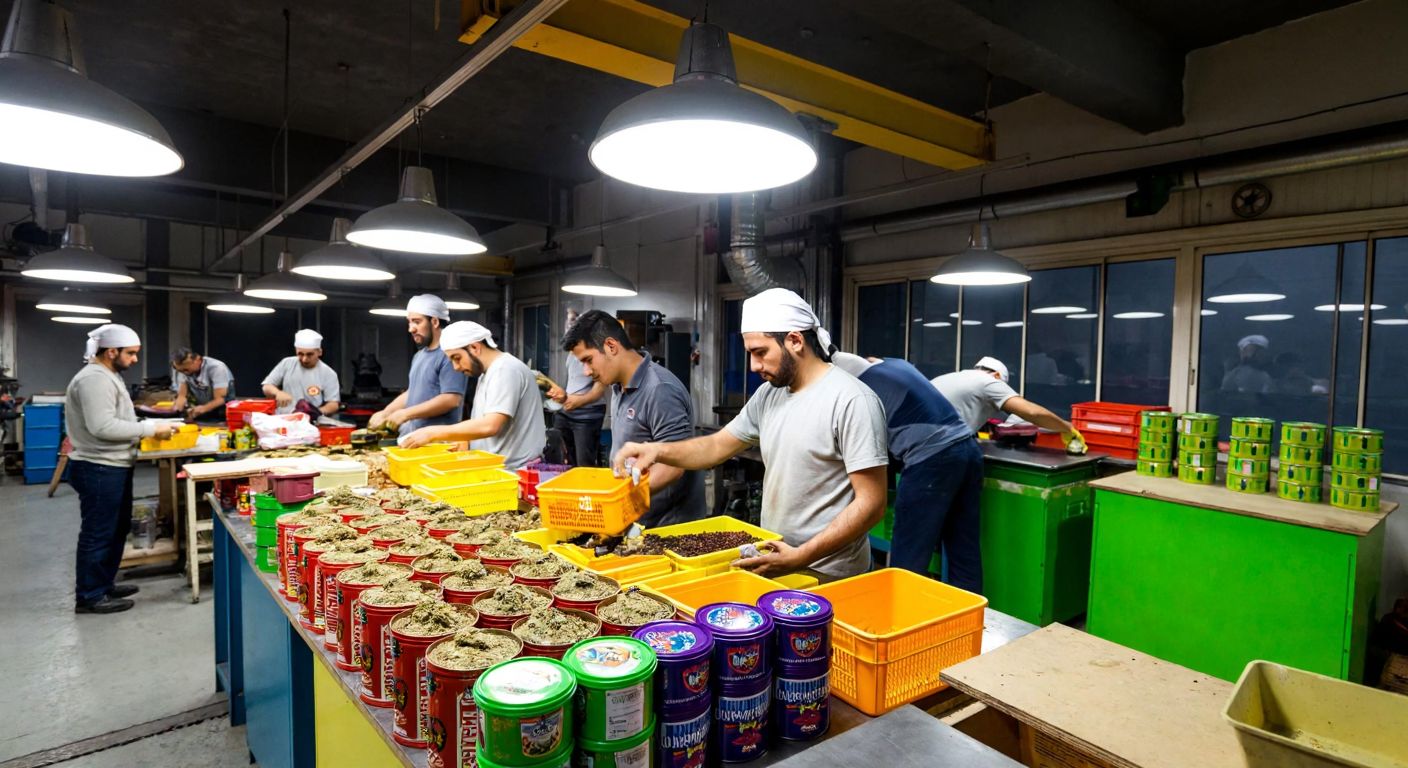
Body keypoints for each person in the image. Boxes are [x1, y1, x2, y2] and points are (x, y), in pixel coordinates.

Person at [614, 289, 888, 580]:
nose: (754, 366)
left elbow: (871, 504)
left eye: (761, 353)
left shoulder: (852, 400)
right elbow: (717, 446)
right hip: (776, 556)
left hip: (829, 571)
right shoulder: (769, 395)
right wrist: (657, 451)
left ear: (795, 341)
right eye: (750, 354)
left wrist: (801, 556)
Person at [831, 352, 984, 592]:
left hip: (932, 459)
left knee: (909, 551)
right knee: (963, 546)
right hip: (969, 450)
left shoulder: (858, 390)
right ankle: (971, 616)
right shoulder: (896, 365)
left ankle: (901, 615)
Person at [67, 324, 177, 614]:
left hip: (112, 464)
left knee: (115, 530)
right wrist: (150, 429)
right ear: (111, 351)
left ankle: (104, 584)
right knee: (99, 532)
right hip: (99, 467)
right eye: (130, 354)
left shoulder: (107, 375)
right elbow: (102, 426)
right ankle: (90, 595)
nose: (135, 360)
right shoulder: (94, 380)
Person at [561, 309, 705, 526]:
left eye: (588, 360)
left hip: (666, 528)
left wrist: (618, 499)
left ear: (611, 346)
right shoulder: (619, 386)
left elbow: (674, 466)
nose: (586, 371)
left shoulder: (659, 389)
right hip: (636, 520)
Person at [400, 321, 546, 469]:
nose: (456, 367)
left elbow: (490, 425)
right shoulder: (488, 372)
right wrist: (467, 441)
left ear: (475, 347)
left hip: (515, 474)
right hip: (497, 469)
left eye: (457, 358)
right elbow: (484, 423)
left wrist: (432, 432)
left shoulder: (505, 369)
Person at [933, 357, 1087, 453]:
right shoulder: (988, 381)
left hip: (914, 444)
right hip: (941, 449)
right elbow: (1032, 413)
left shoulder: (948, 377)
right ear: (997, 376)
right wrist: (1067, 427)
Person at [368, 295, 468, 436]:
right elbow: (413, 391)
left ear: (434, 322)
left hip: (437, 442)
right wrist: (386, 412)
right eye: (409, 322)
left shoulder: (450, 355)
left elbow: (451, 399)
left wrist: (406, 414)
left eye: (417, 322)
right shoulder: (419, 355)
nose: (411, 329)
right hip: (413, 437)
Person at [546, 308, 608, 467]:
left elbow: (599, 388)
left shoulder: (597, 351)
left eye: (573, 320)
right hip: (567, 411)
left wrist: (577, 401)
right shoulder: (572, 353)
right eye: (568, 320)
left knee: (584, 463)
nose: (569, 325)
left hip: (588, 414)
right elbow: (574, 383)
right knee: (559, 458)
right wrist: (562, 395)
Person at [261, 329, 341, 416]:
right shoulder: (286, 363)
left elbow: (333, 405)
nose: (304, 359)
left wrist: (316, 412)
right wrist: (277, 393)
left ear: (319, 352)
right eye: (300, 354)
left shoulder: (329, 374)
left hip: (311, 422)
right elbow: (266, 386)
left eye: (309, 354)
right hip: (284, 418)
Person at [169, 347, 234, 422]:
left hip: (222, 414)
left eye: (186, 369)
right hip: (202, 413)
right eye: (180, 370)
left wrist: (202, 409)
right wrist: (179, 406)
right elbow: (182, 396)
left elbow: (221, 399)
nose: (185, 373)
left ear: (197, 360)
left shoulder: (217, 368)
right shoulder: (183, 370)